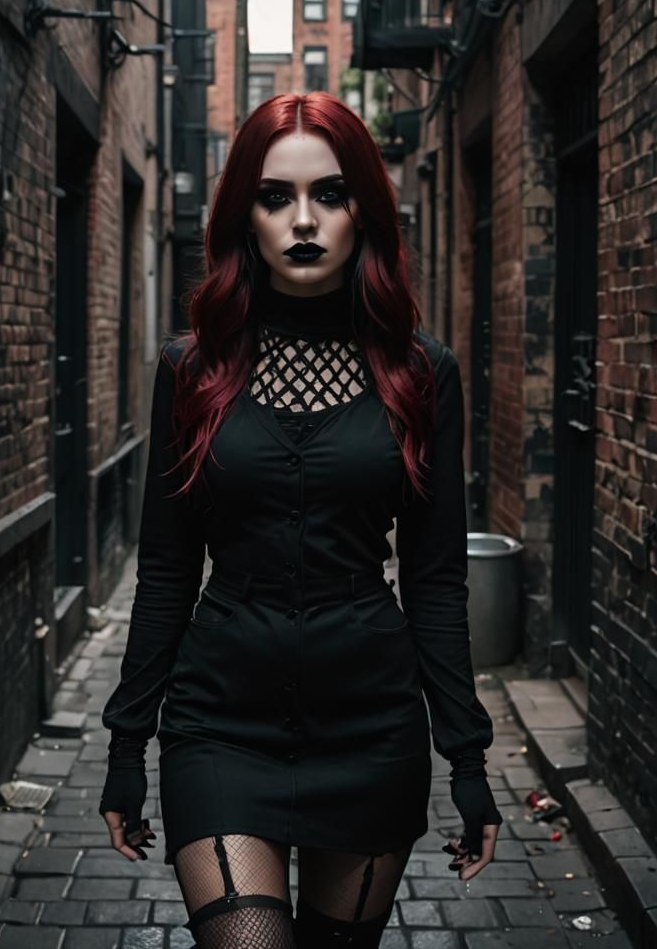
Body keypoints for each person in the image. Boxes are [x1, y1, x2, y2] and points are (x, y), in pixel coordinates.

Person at [98, 91, 503, 948]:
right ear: (245, 215)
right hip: (217, 728)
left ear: (366, 210)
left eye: (331, 194)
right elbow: (167, 569)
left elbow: (434, 583)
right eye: (276, 197)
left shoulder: (421, 375)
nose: (305, 220)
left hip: (370, 729)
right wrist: (126, 745)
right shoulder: (192, 370)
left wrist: (467, 758)